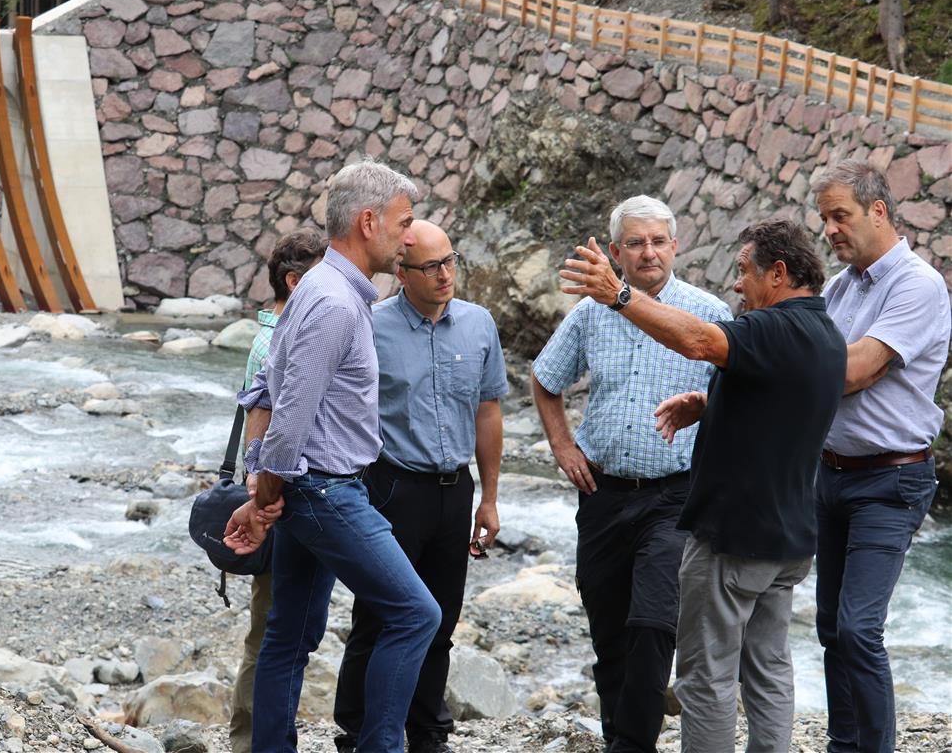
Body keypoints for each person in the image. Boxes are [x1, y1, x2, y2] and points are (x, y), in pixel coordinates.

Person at [560, 218, 847, 753]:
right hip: (789, 542)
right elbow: (780, 405)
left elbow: (698, 341)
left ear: (777, 273)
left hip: (734, 539)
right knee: (768, 669)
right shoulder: (827, 334)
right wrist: (710, 405)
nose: (736, 283)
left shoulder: (770, 329)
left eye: (743, 270)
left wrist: (619, 294)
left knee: (706, 676)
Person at [225, 159, 441, 753]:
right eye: (404, 222)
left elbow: (268, 384)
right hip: (324, 489)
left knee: (289, 637)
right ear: (368, 223)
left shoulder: (322, 287)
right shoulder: (336, 302)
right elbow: (290, 410)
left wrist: (263, 490)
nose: (409, 237)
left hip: (309, 486)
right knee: (416, 615)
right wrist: (264, 495)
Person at [531, 195, 730, 753]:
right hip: (603, 493)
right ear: (616, 253)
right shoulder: (592, 312)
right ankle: (620, 736)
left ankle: (633, 744)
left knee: (653, 623)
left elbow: (741, 397)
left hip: (675, 497)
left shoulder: (708, 313)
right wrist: (563, 445)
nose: (649, 253)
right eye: (636, 243)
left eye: (658, 241)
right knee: (609, 627)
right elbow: (545, 378)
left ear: (676, 245)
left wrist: (706, 411)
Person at [333, 220, 509, 753]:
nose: (445, 274)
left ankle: (428, 733)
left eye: (449, 261)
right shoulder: (369, 325)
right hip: (391, 488)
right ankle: (357, 731)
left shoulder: (478, 324)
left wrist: (490, 498)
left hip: (455, 491)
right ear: (402, 272)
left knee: (441, 618)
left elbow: (488, 410)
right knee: (378, 614)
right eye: (430, 267)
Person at [811, 161, 950, 753]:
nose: (829, 230)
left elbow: (853, 372)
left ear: (877, 211)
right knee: (829, 628)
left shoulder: (918, 285)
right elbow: (814, 359)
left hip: (891, 481)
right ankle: (843, 746)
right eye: (824, 219)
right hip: (830, 474)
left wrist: (783, 367)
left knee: (858, 629)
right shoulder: (840, 286)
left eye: (839, 216)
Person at [230, 228, 328, 753]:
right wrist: (262, 498)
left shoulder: (285, 331)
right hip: (276, 500)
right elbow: (270, 430)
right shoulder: (277, 340)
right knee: (272, 631)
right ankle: (251, 742)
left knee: (277, 628)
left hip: (281, 497)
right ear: (294, 282)